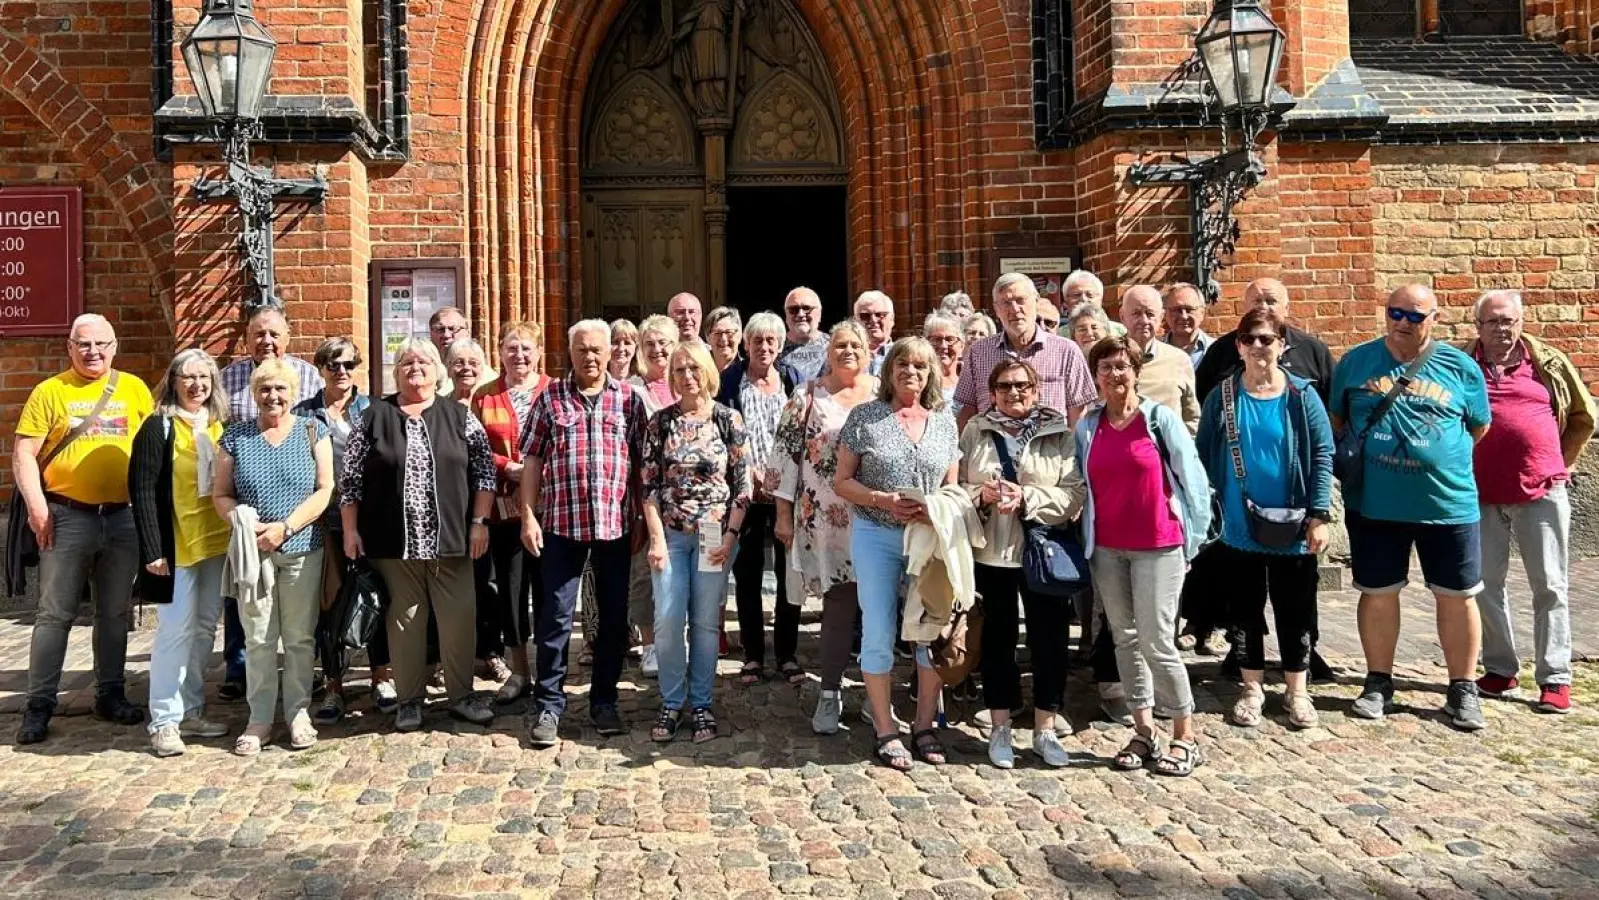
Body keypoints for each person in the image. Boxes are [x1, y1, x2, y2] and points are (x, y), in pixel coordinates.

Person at [1331, 284, 1492, 731]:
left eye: (1415, 316)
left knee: (1457, 596)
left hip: (1448, 502)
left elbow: (1478, 427)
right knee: (1378, 592)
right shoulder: (1356, 363)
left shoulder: (1460, 367)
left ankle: (1462, 688)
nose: (1403, 322)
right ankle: (1378, 681)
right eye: (1395, 312)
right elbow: (1338, 423)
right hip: (1376, 504)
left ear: (1434, 319)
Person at [339, 339, 498, 732]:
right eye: (407, 362)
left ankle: (461, 695)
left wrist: (480, 522)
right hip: (393, 542)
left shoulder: (459, 415)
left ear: (438, 370)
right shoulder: (374, 416)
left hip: (453, 540)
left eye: (424, 361)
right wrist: (349, 530)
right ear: (396, 372)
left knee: (458, 616)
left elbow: (484, 473)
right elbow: (351, 482)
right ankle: (410, 700)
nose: (416, 367)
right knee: (406, 619)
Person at [13, 314, 153, 745]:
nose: (93, 352)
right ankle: (39, 705)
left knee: (114, 613)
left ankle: (109, 693)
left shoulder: (134, 389)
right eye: (84, 345)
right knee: (55, 614)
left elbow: (152, 448)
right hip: (67, 516)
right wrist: (38, 509)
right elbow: (23, 453)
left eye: (101, 344)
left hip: (123, 516)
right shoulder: (50, 391)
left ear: (115, 346)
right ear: (70, 348)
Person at [1076, 335, 1212, 777]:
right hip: (1109, 547)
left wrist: (1192, 541)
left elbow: (1192, 480)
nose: (1115, 375)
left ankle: (1185, 734)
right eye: (1106, 368)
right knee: (1125, 638)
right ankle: (1143, 729)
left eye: (1122, 366)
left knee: (1157, 640)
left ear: (1136, 371)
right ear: (1095, 376)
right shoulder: (1088, 425)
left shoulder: (1159, 420)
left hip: (1159, 543)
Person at [1189, 278, 1338, 679]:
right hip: (1238, 523)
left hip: (1294, 520)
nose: (1258, 346)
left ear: (1282, 345)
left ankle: (1297, 686)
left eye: (1267, 340)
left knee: (1296, 608)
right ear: (1238, 345)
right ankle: (1250, 683)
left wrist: (1319, 514)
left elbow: (1323, 453)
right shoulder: (1222, 395)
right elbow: (1203, 454)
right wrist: (1207, 509)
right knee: (1243, 606)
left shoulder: (1302, 395)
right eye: (1249, 339)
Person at [519, 320, 651, 746]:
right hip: (560, 523)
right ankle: (549, 705)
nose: (590, 357)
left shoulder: (628, 400)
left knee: (613, 619)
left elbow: (639, 466)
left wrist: (639, 518)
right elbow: (533, 460)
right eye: (581, 350)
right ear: (568, 352)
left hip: (614, 526)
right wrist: (527, 516)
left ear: (612, 351)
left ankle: (604, 700)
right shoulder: (550, 398)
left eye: (597, 349)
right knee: (554, 618)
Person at [835, 337, 962, 770]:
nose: (911, 372)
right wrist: (883, 499)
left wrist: (936, 508)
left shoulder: (945, 421)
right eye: (903, 364)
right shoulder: (866, 418)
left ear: (931, 375)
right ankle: (886, 728)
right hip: (877, 533)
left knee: (929, 630)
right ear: (889, 370)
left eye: (921, 367)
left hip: (928, 538)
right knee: (878, 626)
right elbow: (842, 481)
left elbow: (952, 486)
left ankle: (924, 725)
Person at [1466, 290, 1592, 714]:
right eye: (1493, 322)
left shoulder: (1549, 363)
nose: (1502, 329)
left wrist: (1560, 462)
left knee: (1550, 585)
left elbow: (1583, 416)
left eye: (1509, 321)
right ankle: (1500, 667)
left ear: (1521, 322)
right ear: (1477, 326)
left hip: (1541, 489)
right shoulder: (1464, 365)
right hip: (1479, 492)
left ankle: (1555, 677)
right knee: (1484, 583)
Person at [957, 359, 1086, 768]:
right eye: (1006, 386)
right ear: (992, 391)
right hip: (992, 552)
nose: (1015, 393)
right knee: (997, 640)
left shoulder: (1060, 432)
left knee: (1049, 640)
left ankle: (1045, 728)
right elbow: (956, 486)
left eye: (1023, 386)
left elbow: (1074, 493)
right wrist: (982, 495)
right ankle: (1000, 726)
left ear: (1037, 390)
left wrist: (1027, 498)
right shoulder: (976, 429)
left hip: (1042, 550)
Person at [213, 358, 334, 755]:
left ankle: (298, 713)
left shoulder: (313, 430)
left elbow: (324, 489)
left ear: (293, 393)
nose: (273, 396)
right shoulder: (235, 437)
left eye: (280, 388)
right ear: (253, 394)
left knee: (299, 637)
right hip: (255, 555)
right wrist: (243, 522)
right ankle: (260, 718)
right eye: (264, 389)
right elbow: (221, 494)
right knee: (260, 638)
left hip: (302, 548)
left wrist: (286, 526)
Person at [773, 321, 880, 734]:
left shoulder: (881, 395)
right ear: (827, 350)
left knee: (879, 609)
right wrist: (783, 516)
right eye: (840, 344)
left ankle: (876, 695)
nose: (847, 351)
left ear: (868, 351)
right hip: (823, 519)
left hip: (877, 516)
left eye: (855, 345)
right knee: (838, 607)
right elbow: (784, 455)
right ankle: (830, 693)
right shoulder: (806, 395)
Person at [643, 343, 752, 742]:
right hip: (670, 535)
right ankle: (672, 702)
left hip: (713, 535)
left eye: (693, 368)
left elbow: (743, 483)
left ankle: (702, 703)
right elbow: (649, 486)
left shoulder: (727, 419)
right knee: (669, 622)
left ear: (707, 371)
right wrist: (655, 538)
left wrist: (730, 534)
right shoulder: (660, 424)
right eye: (678, 369)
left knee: (706, 623)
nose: (686, 376)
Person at [217, 306, 325, 703]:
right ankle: (239, 670)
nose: (267, 341)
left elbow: (317, 429)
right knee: (245, 608)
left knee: (300, 620)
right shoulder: (228, 378)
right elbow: (221, 433)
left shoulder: (308, 374)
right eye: (258, 334)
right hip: (248, 511)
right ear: (247, 338)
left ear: (288, 337)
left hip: (298, 513)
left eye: (274, 334)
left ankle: (301, 687)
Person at [131, 349, 233, 756]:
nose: (197, 386)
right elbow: (141, 489)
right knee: (175, 630)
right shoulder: (158, 427)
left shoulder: (219, 426)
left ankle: (192, 709)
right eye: (188, 377)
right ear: (173, 381)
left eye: (204, 378)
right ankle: (164, 720)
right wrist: (152, 548)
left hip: (214, 541)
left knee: (205, 628)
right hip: (175, 545)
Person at [294, 338, 389, 725]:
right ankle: (334, 683)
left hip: (371, 519)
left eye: (349, 364)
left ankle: (381, 676)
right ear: (321, 368)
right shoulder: (305, 414)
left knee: (378, 597)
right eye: (334, 364)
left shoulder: (375, 410)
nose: (342, 371)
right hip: (324, 521)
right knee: (329, 603)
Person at [715, 312, 802, 685]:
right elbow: (720, 429)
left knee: (789, 574)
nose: (764, 348)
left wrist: (786, 475)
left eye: (771, 341)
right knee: (747, 575)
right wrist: (745, 469)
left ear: (780, 346)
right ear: (745, 344)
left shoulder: (791, 379)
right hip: (746, 492)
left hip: (788, 491)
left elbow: (802, 431)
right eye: (757, 341)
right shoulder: (730, 380)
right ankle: (753, 654)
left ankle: (786, 654)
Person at [472, 323, 554, 705]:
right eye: (511, 348)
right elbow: (473, 449)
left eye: (526, 348)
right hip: (505, 512)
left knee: (552, 591)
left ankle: (551, 673)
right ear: (499, 352)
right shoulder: (485, 396)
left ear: (539, 351)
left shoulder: (555, 391)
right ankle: (520, 670)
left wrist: (537, 470)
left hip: (552, 509)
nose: (518, 355)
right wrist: (507, 466)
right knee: (512, 591)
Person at [954, 272, 1097, 433]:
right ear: (996, 309)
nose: (1014, 309)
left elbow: (1079, 416)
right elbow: (967, 411)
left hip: (1050, 452)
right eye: (1006, 303)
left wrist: (1074, 454)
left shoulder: (1067, 351)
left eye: (1020, 300)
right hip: (994, 453)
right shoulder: (979, 352)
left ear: (1036, 302)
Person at [627, 314, 679, 671]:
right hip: (643, 490)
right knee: (646, 566)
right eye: (650, 344)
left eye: (664, 343)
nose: (658, 350)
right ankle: (649, 644)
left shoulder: (689, 381)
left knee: (684, 567)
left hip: (685, 493)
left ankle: (676, 637)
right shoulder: (630, 390)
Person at [1195, 277, 1334, 405]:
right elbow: (1201, 401)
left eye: (1271, 301)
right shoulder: (1221, 350)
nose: (1263, 306)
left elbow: (1334, 403)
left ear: (1286, 309)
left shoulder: (1312, 350)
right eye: (1256, 300)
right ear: (1245, 307)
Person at [1118, 285, 1200, 434]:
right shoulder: (1108, 358)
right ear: (1122, 316)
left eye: (1150, 314)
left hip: (1167, 452)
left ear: (1161, 318)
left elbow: (1192, 418)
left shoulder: (1179, 360)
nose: (1144, 321)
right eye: (1136, 313)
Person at [430, 307, 495, 397]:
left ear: (467, 333)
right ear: (431, 334)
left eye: (453, 329)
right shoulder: (425, 369)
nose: (446, 335)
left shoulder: (483, 374)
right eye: (440, 329)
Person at [778, 286, 829, 382]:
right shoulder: (774, 348)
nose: (801, 314)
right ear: (786, 314)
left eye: (806, 308)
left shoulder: (834, 345)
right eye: (793, 309)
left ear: (819, 313)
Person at [1163, 282, 1213, 370]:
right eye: (1176, 310)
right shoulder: (1154, 353)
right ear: (1165, 314)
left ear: (1202, 313)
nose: (1184, 316)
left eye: (1189, 309)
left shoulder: (1217, 350)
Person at [1063, 270, 1126, 337]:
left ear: (1101, 300)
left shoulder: (1121, 332)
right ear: (1066, 302)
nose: (1083, 299)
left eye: (1090, 295)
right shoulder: (1058, 335)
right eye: (1076, 295)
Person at [924, 313, 965, 412]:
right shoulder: (921, 381)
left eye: (950, 339)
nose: (943, 346)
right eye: (936, 339)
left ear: (961, 346)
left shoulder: (971, 381)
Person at [853, 290, 896, 375]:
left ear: (892, 319)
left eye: (880, 315)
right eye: (865, 316)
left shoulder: (901, 354)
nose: (873, 320)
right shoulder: (848, 355)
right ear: (855, 321)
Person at [446, 338, 490, 405]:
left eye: (473, 363)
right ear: (449, 369)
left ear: (482, 369)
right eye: (459, 363)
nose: (466, 367)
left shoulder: (491, 404)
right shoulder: (440, 406)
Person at [706, 306, 743, 372]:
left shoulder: (750, 373)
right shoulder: (699, 372)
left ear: (740, 336)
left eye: (729, 332)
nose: (723, 339)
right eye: (717, 333)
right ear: (708, 337)